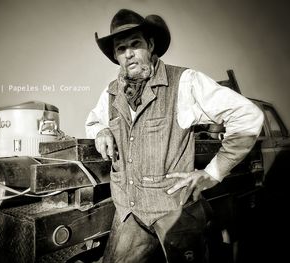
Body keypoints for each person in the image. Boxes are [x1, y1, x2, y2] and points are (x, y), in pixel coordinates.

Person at [85, 9, 264, 263]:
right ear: (115, 56)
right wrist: (101, 131)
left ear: (150, 45)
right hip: (128, 213)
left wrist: (212, 173)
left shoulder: (185, 82)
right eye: (120, 48)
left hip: (174, 212)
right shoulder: (111, 93)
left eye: (135, 44)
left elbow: (248, 115)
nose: (129, 54)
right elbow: (93, 120)